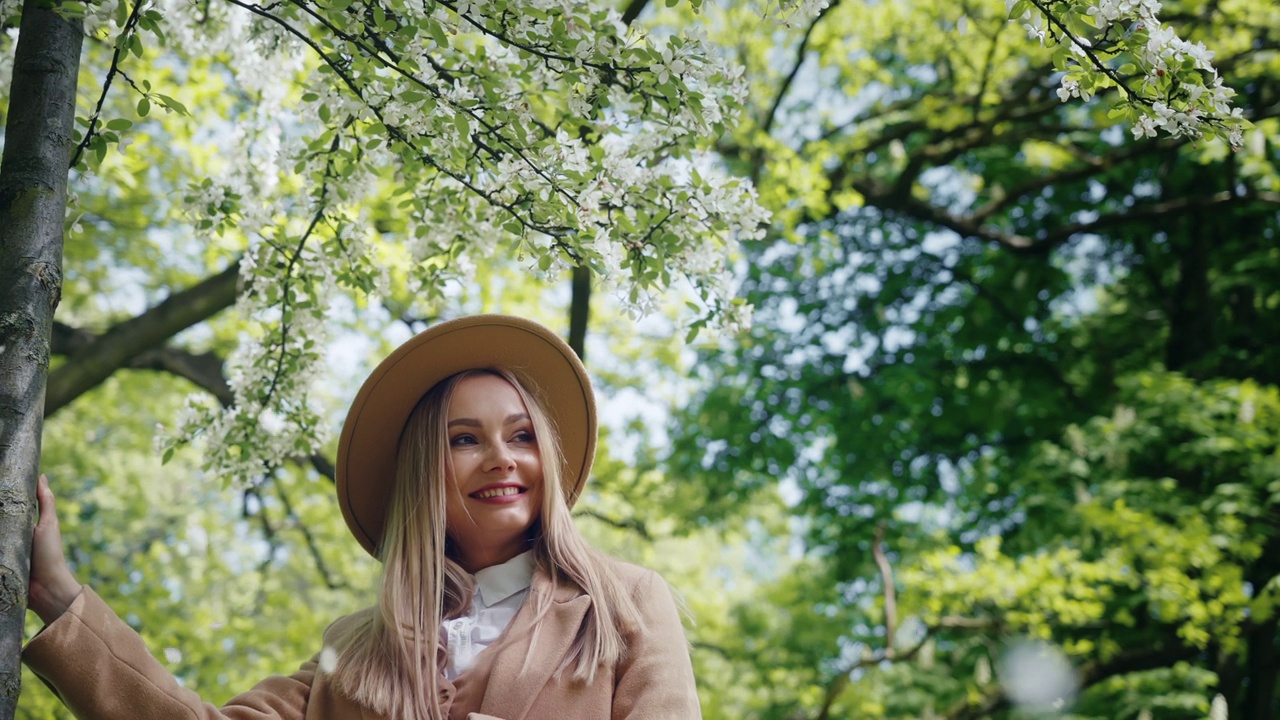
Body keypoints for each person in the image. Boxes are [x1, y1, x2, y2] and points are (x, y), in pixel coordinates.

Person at [24, 314, 701, 720]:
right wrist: (59, 598)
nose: (501, 459)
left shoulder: (625, 605)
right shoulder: (351, 652)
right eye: (464, 440)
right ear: (421, 475)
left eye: (522, 436)